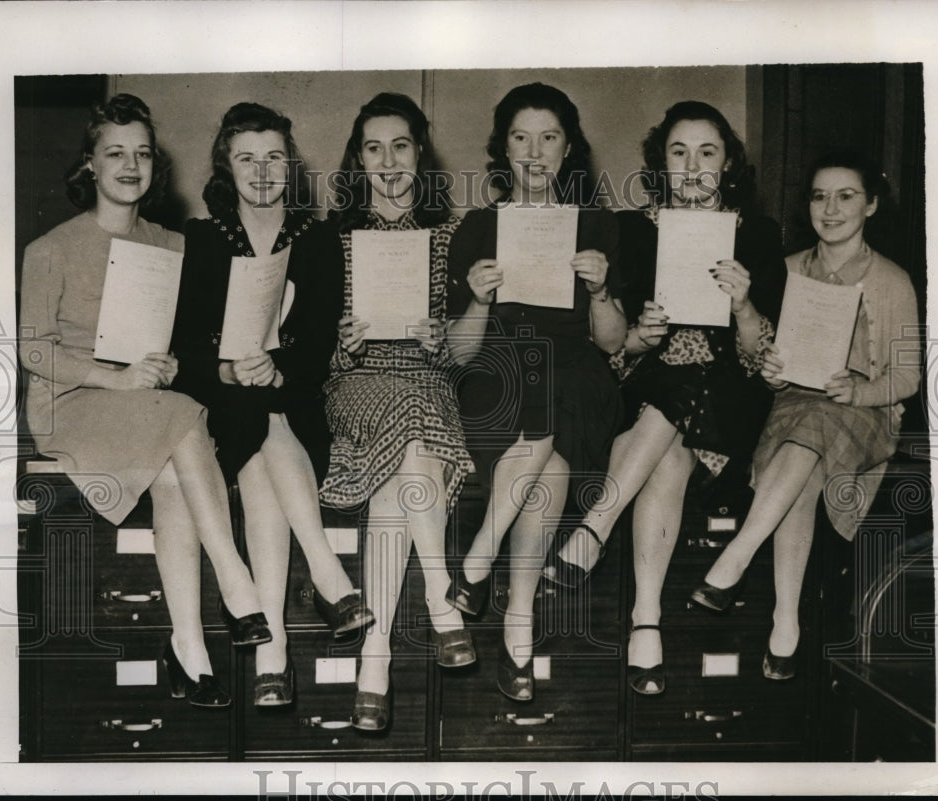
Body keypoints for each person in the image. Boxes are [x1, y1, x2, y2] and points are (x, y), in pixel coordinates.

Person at [19, 94, 269, 710]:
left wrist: (169, 364)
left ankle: (188, 649)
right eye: (115, 153)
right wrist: (119, 380)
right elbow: (31, 352)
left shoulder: (172, 245)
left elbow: (183, 341)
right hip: (72, 402)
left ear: (155, 163)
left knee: (174, 475)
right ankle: (236, 579)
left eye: (142, 153)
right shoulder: (49, 249)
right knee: (184, 417)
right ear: (90, 167)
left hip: (145, 404)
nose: (130, 165)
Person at [543, 100, 786, 697]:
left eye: (708, 152)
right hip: (649, 393)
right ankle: (645, 623)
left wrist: (744, 306)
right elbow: (613, 346)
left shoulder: (757, 233)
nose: (693, 165)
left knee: (683, 397)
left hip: (727, 399)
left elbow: (766, 358)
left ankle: (595, 532)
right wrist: (639, 335)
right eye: (679, 153)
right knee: (669, 453)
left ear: (728, 164)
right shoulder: (633, 229)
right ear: (662, 163)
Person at [171, 102, 375, 707]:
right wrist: (229, 368)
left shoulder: (318, 239)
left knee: (267, 429)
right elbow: (182, 342)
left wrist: (276, 367)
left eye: (274, 158)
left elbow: (317, 345)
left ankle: (274, 647)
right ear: (225, 167)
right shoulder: (200, 237)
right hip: (220, 397)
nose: (261, 172)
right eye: (246, 159)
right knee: (254, 418)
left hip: (295, 398)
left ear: (291, 165)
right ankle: (325, 575)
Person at [692, 150, 920, 679]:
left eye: (846, 196)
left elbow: (908, 378)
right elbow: (756, 352)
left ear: (872, 205)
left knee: (810, 433)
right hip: (794, 405)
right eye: (820, 196)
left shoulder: (894, 281)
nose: (831, 208)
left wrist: (858, 392)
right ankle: (785, 621)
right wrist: (770, 368)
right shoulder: (786, 268)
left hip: (865, 411)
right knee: (803, 458)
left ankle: (736, 562)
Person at [446, 83, 626, 702]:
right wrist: (476, 299)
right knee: (550, 447)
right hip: (497, 374)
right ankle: (518, 617)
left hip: (576, 372)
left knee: (557, 392)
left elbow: (610, 344)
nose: (534, 151)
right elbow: (460, 352)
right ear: (502, 149)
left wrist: (601, 292)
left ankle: (478, 561)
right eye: (520, 138)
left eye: (548, 137)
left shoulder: (598, 226)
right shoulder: (478, 227)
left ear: (568, 147)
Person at [322, 93, 477, 732]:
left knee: (402, 468)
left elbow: (465, 352)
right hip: (357, 384)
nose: (388, 161)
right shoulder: (332, 240)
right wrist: (342, 342)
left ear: (421, 153)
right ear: (357, 161)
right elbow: (311, 356)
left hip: (424, 384)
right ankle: (445, 605)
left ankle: (375, 657)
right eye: (373, 147)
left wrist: (442, 339)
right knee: (410, 425)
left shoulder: (450, 236)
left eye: (401, 146)